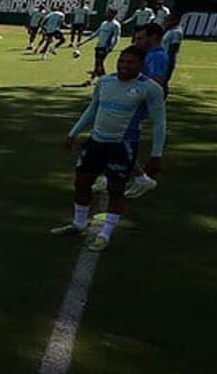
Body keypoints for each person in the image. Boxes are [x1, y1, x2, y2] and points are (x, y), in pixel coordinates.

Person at [51, 45, 164, 251]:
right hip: (95, 142)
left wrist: (156, 155)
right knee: (82, 182)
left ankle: (105, 234)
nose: (124, 66)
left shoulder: (150, 89)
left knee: (115, 189)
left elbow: (159, 123)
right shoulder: (105, 82)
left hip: (123, 146)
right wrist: (73, 132)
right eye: (121, 61)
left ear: (141, 65)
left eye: (130, 62)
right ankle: (78, 223)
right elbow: (93, 108)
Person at [121, 22, 170, 199]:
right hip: (133, 100)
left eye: (142, 38)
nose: (138, 41)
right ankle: (136, 178)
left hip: (138, 103)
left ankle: (139, 178)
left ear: (154, 37)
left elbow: (156, 82)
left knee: (121, 140)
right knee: (119, 140)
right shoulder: (148, 54)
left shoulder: (157, 56)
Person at [75, 8, 123, 83]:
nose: (107, 14)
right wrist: (83, 42)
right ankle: (91, 80)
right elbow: (96, 34)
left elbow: (116, 37)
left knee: (99, 62)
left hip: (105, 47)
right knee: (97, 64)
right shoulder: (104, 23)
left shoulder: (115, 25)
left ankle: (105, 80)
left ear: (113, 14)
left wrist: (111, 47)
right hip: (99, 46)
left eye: (109, 13)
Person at [162, 13, 184, 83]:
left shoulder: (176, 32)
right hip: (163, 58)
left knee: (163, 82)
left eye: (168, 21)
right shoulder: (170, 30)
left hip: (167, 60)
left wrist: (167, 61)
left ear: (175, 21)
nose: (165, 22)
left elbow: (174, 49)